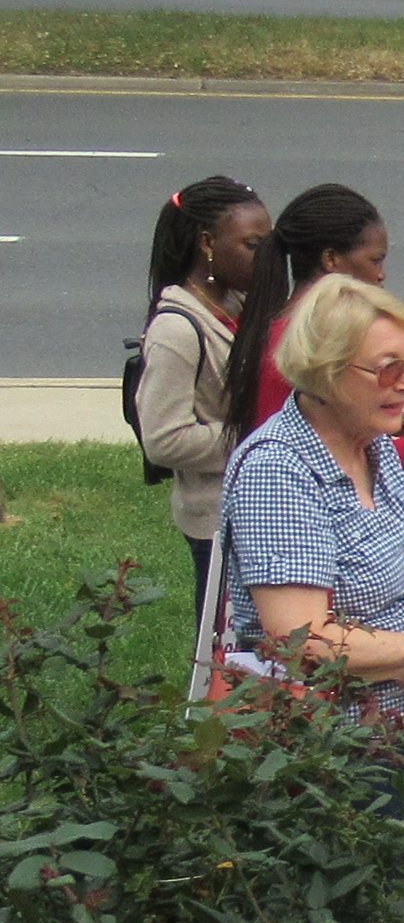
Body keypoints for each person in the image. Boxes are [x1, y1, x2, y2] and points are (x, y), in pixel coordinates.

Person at [221, 274, 404, 731]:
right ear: (327, 370)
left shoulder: (371, 443)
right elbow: (304, 642)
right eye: (388, 368)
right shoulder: (278, 471)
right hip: (327, 747)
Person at [225, 183, 404, 466]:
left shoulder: (290, 327)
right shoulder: (302, 342)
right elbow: (322, 459)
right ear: (331, 259)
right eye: (375, 260)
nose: (381, 275)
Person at [133, 178, 267, 616]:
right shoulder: (177, 328)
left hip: (257, 508)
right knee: (224, 654)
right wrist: (261, 440)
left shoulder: (240, 305)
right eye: (252, 244)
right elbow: (164, 439)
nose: (264, 257)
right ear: (207, 243)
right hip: (217, 522)